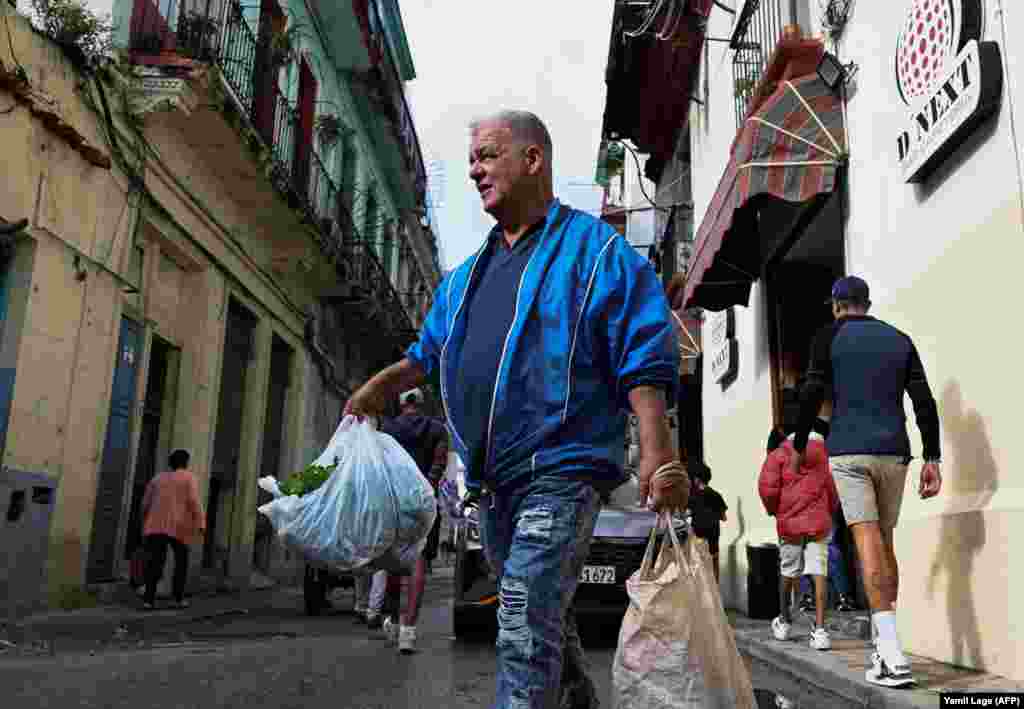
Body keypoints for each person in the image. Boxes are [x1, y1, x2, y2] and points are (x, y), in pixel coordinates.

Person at [343, 109, 685, 709]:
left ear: (533, 160)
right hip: (495, 484)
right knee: (537, 614)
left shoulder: (595, 252)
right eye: (471, 160)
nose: (474, 170)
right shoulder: (465, 277)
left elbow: (643, 352)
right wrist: (378, 388)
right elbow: (427, 353)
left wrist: (658, 452)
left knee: (524, 613)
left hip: (563, 470)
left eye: (487, 155)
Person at [791, 276, 942, 687]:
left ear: (837, 305)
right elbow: (924, 401)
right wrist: (932, 457)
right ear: (868, 304)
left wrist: (800, 442)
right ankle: (882, 642)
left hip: (849, 452)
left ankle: (892, 655)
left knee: (866, 541)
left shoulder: (827, 336)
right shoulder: (899, 339)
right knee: (884, 542)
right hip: (895, 451)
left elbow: (812, 390)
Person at [759, 408, 839, 651]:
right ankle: (821, 631)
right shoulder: (822, 452)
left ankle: (784, 622)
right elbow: (831, 489)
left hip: (790, 523)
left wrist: (774, 510)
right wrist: (828, 510)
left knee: (788, 570)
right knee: (819, 570)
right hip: (818, 521)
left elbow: (767, 489)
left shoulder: (778, 454)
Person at [140, 449, 206, 610]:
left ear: (170, 463)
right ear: (186, 463)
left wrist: (144, 522)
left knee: (154, 563)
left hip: (155, 526)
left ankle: (148, 600)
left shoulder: (157, 479)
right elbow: (193, 502)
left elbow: (145, 503)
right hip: (179, 527)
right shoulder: (189, 478)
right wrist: (201, 523)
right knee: (181, 563)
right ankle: (178, 598)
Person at [687, 461, 727, 584]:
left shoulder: (692, 497)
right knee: (714, 563)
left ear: (697, 479)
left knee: (698, 565)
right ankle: (715, 590)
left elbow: (686, 513)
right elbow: (724, 517)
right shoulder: (716, 495)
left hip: (698, 535)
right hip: (713, 535)